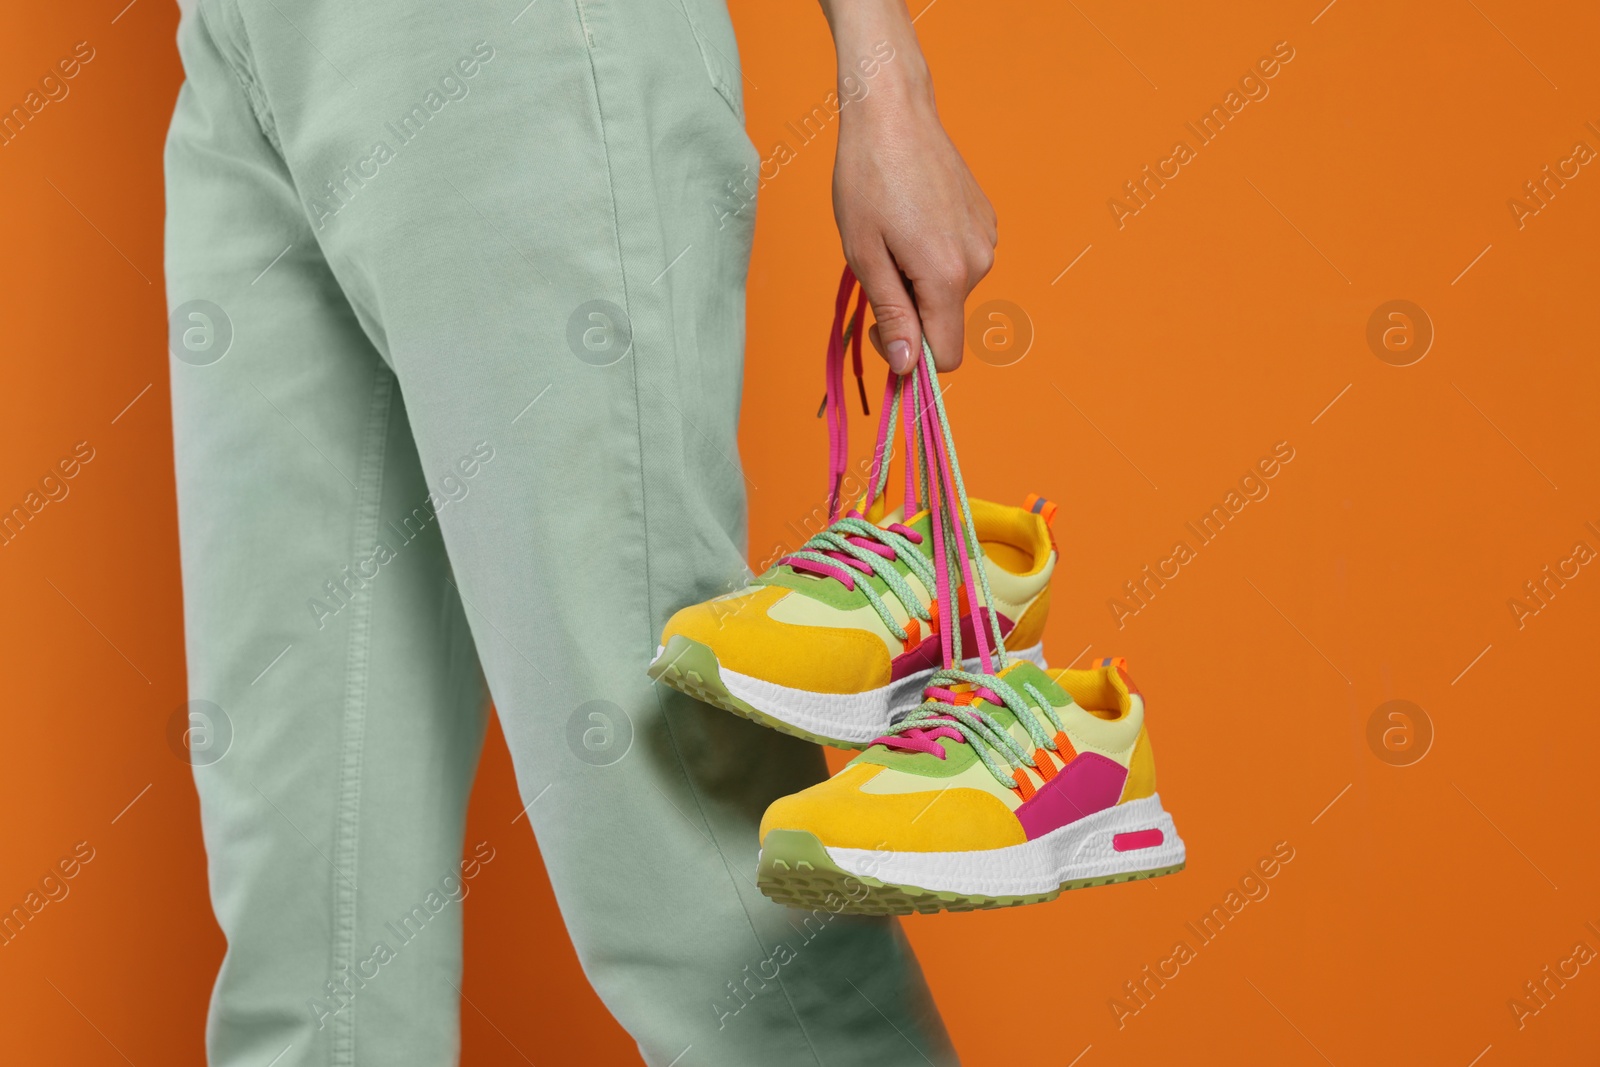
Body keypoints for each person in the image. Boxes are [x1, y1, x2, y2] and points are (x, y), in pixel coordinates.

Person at [164, 0, 994, 1062]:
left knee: (678, 848)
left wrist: (886, 78)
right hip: (246, 49)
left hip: (510, 45)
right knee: (310, 932)